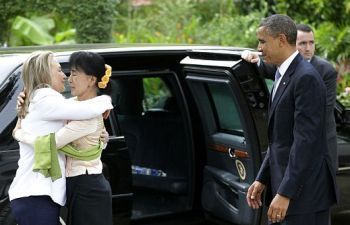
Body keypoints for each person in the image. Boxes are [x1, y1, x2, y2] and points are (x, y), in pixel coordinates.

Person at [245, 14, 337, 225]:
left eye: (262, 41)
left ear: (281, 40)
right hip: (287, 190)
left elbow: (305, 142)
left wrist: (286, 193)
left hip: (304, 197)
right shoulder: (283, 75)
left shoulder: (306, 78)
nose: (259, 48)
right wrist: (262, 178)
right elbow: (279, 139)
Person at [9, 51, 113, 225]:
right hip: (36, 193)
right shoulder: (45, 98)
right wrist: (106, 100)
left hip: (38, 194)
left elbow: (81, 113)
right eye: (58, 70)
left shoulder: (41, 99)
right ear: (45, 73)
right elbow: (84, 111)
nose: (64, 76)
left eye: (72, 73)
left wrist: (101, 136)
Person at [241, 24, 338, 172]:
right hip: (289, 151)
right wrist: (252, 56)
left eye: (311, 43)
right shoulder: (283, 65)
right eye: (302, 43)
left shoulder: (326, 70)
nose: (308, 48)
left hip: (320, 147)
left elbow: (322, 111)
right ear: (291, 44)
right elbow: (265, 66)